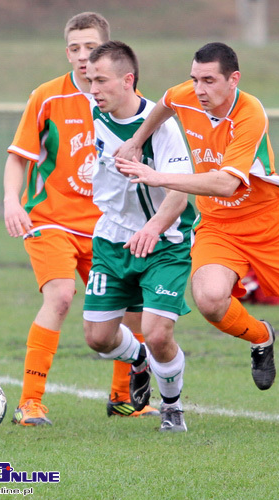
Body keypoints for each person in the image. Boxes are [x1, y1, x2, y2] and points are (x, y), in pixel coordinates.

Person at [115, 42, 279, 431]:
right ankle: (261, 338)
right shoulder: (188, 94)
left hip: (272, 225)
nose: (199, 89)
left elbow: (225, 183)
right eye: (195, 79)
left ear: (234, 80)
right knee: (210, 300)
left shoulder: (249, 113)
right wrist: (136, 140)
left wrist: (157, 176)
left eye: (209, 80)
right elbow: (163, 104)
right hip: (219, 226)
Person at [3, 12, 158, 426]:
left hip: (107, 228)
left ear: (106, 50)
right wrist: (10, 200)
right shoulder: (48, 97)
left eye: (90, 48)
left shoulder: (126, 99)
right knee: (59, 296)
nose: (82, 57)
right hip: (50, 219)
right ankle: (30, 402)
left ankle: (124, 399)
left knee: (129, 313)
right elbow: (19, 156)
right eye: (74, 48)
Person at [83, 41, 196, 432]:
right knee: (98, 338)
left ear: (128, 80)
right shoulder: (95, 113)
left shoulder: (162, 129)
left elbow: (180, 194)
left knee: (157, 331)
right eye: (89, 79)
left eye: (101, 80)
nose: (93, 88)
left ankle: (172, 407)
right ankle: (138, 359)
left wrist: (152, 227)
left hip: (164, 243)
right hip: (111, 240)